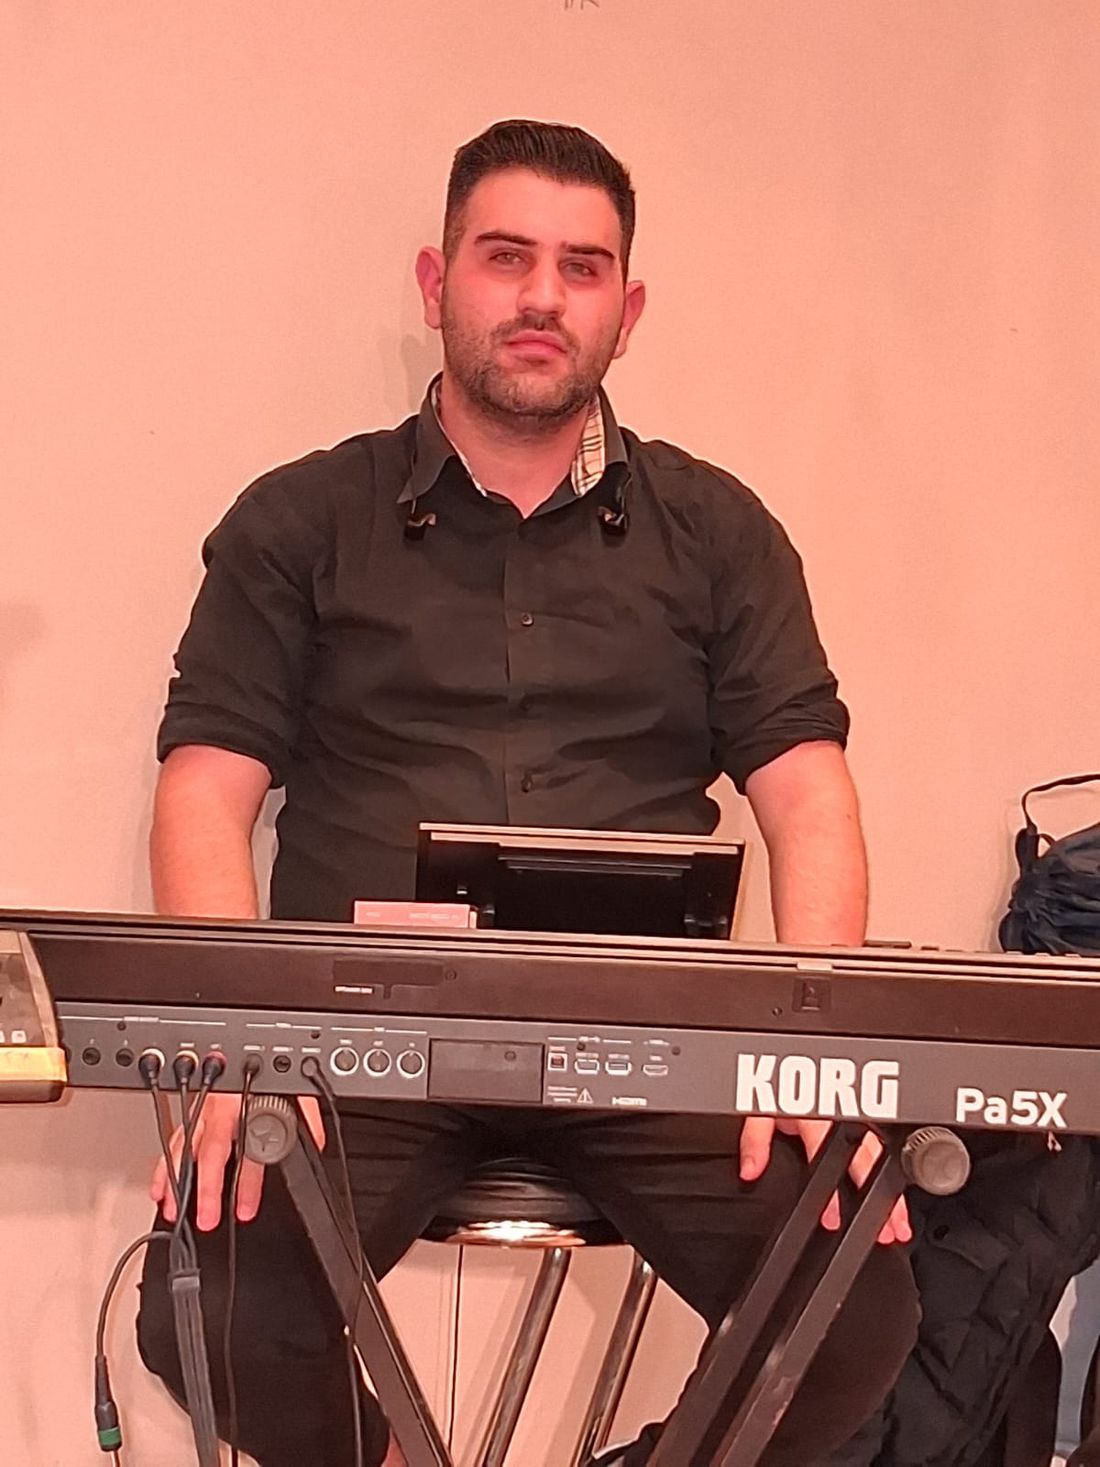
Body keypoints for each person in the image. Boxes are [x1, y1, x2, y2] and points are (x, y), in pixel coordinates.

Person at [136, 119, 918, 1467]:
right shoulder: (298, 521)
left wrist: (812, 1037)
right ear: (436, 284)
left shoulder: (721, 534)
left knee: (859, 1301)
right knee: (208, 1302)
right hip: (352, 1040)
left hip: (657, 1039)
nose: (544, 295)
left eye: (582, 267)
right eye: (507, 258)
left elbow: (810, 795)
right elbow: (205, 794)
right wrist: (237, 1034)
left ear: (628, 309)